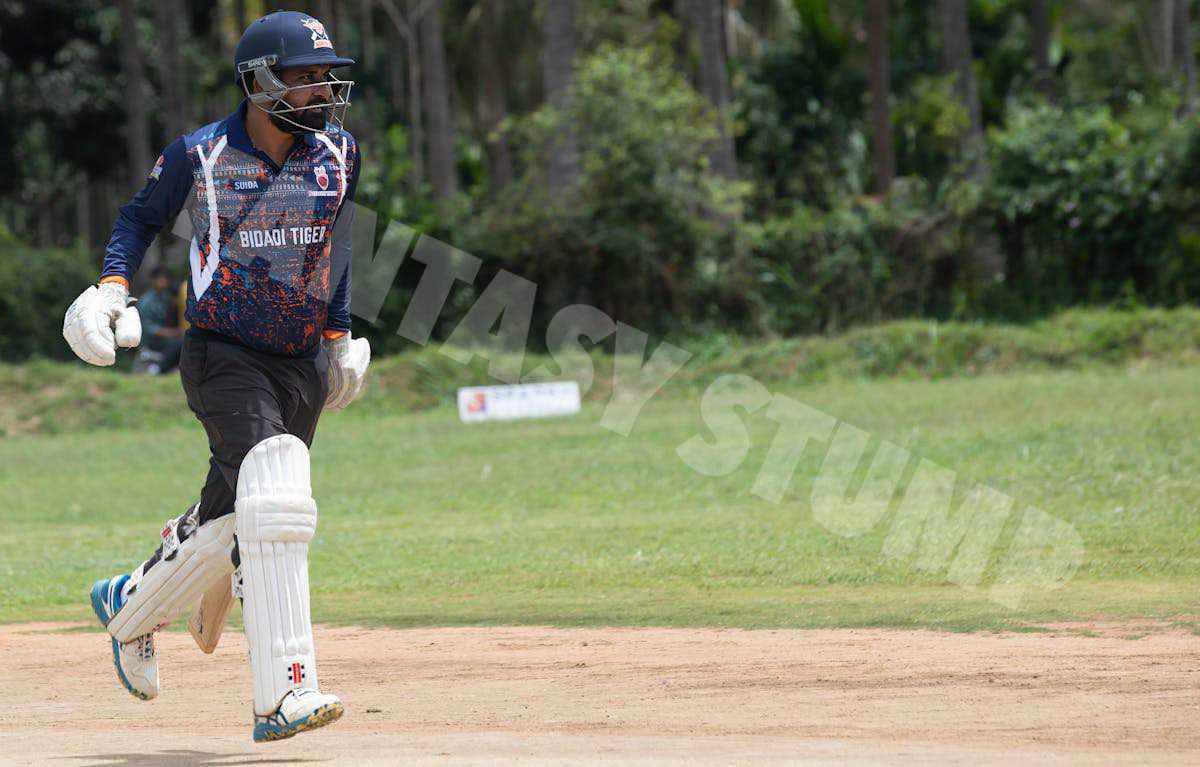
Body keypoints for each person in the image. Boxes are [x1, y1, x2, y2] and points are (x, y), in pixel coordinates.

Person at [62, 11, 371, 743]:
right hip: (223, 354)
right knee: (277, 495)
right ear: (261, 82)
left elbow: (339, 239)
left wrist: (341, 331)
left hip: (299, 359)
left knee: (236, 516)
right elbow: (138, 220)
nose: (322, 88)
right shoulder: (198, 155)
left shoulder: (338, 151)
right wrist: (111, 288)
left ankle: (130, 606)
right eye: (304, 77)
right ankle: (283, 694)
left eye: (326, 75)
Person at [137, 266, 184, 373]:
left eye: (166, 279)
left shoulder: (165, 297)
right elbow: (148, 329)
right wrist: (173, 333)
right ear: (153, 280)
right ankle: (158, 369)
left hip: (166, 338)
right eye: (160, 278)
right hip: (152, 342)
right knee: (179, 344)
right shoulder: (146, 301)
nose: (163, 281)